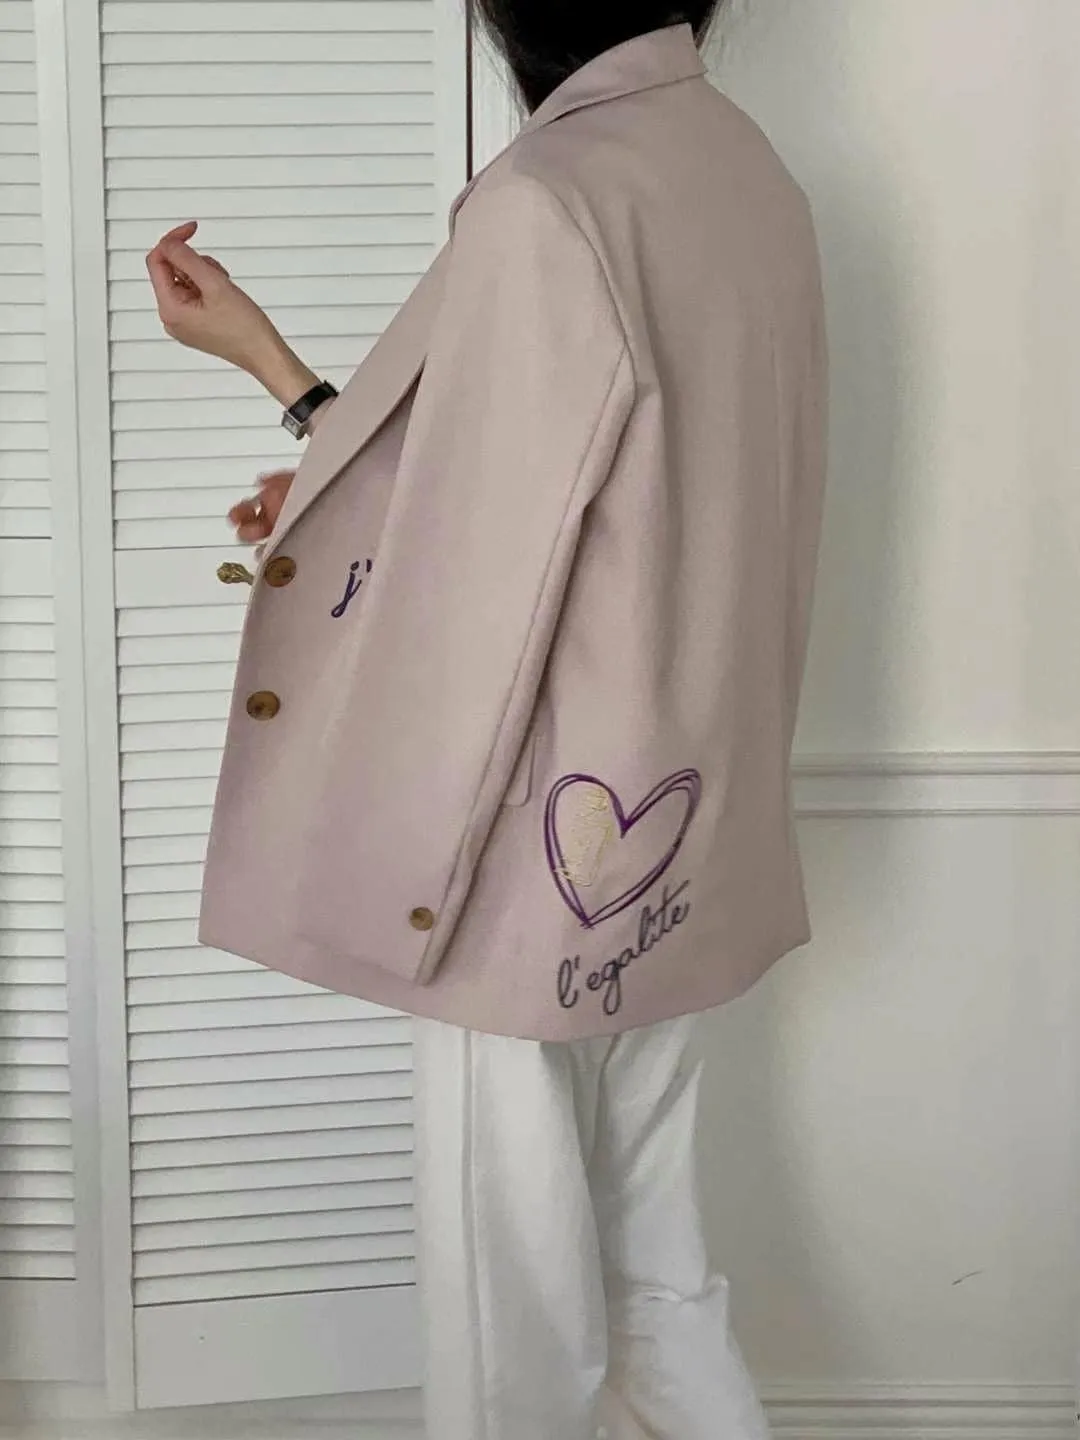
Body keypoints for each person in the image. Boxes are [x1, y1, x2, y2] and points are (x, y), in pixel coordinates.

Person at [146, 4, 828, 1436]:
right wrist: (295, 394)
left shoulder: (551, 197)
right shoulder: (740, 165)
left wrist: (384, 850)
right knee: (660, 1269)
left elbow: (478, 566)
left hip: (524, 838)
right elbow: (585, 487)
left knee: (512, 1306)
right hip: (682, 816)